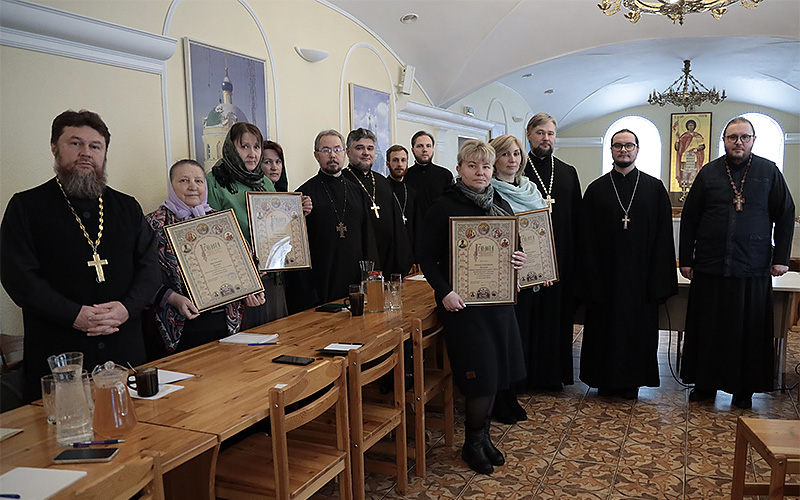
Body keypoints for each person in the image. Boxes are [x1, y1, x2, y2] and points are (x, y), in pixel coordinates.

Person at [0, 110, 160, 401]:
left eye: (95, 146)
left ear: (105, 153)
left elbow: (150, 269)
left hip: (124, 348)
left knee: (138, 434)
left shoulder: (127, 207)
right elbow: (20, 279)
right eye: (75, 144)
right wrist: (74, 315)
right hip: (59, 354)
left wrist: (126, 308)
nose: (86, 153)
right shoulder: (26, 207)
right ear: (54, 147)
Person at [418, 139, 527, 475]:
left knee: (496, 376)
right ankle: (470, 443)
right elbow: (425, 256)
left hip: (498, 306)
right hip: (464, 307)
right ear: (460, 169)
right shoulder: (443, 207)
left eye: (486, 167)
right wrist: (445, 291)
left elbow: (516, 246)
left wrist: (519, 261)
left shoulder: (502, 206)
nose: (480, 173)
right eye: (473, 166)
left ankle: (483, 438)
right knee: (479, 377)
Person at [679, 117, 794, 409]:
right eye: (732, 137)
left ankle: (743, 388)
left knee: (748, 331)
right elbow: (690, 218)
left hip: (752, 266)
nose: (738, 142)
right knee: (709, 328)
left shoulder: (769, 172)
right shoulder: (709, 173)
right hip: (710, 265)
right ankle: (704, 384)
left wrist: (781, 258)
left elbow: (784, 214)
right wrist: (687, 259)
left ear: (753, 140)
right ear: (724, 141)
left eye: (744, 137)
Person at [578, 129, 678, 399]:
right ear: (611, 150)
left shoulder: (654, 188)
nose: (623, 150)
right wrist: (589, 279)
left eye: (628, 145)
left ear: (637, 149)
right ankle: (602, 381)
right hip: (604, 279)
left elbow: (663, 238)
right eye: (618, 146)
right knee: (604, 331)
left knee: (636, 333)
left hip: (640, 280)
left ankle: (632, 382)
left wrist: (659, 280)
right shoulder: (596, 189)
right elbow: (585, 239)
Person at [145, 159, 265, 354]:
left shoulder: (222, 219)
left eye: (199, 181)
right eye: (184, 181)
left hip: (226, 321)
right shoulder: (152, 225)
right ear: (171, 185)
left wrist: (251, 289)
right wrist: (172, 298)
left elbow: (246, 261)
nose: (193, 186)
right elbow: (141, 276)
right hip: (181, 324)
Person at [488, 134, 548, 422]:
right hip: (503, 279)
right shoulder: (490, 193)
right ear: (495, 159)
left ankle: (514, 391)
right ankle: (501, 397)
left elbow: (542, 233)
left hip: (531, 279)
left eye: (516, 154)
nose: (512, 159)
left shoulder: (531, 190)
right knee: (505, 341)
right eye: (506, 154)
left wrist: (545, 268)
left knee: (522, 336)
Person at [523, 113, 582, 389]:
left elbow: (577, 217)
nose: (546, 138)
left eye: (550, 133)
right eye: (540, 133)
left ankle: (553, 376)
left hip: (562, 260)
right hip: (528, 263)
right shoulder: (518, 170)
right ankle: (525, 376)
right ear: (529, 135)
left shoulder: (568, 171)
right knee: (529, 319)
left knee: (557, 319)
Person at [205, 123, 284, 328]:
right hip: (239, 286)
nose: (252, 154)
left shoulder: (264, 182)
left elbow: (276, 226)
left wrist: (294, 213)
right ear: (231, 148)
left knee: (279, 340)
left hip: (271, 278)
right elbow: (213, 240)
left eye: (256, 147)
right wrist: (246, 281)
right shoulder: (215, 181)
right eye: (244, 147)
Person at [289, 130, 377, 310]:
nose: (332, 156)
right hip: (322, 280)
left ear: (344, 153)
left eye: (337, 150)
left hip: (354, 277)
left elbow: (367, 236)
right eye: (326, 150)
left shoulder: (357, 192)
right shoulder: (304, 194)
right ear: (316, 155)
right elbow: (297, 247)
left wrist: (369, 277)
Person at [343, 128, 412, 276]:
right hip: (359, 259)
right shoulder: (342, 181)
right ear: (348, 152)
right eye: (359, 148)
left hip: (388, 258)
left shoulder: (382, 182)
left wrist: (402, 262)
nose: (366, 153)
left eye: (370, 148)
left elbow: (397, 224)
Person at [404, 130, 454, 218]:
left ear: (433, 149)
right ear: (413, 150)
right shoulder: (405, 176)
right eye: (420, 146)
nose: (425, 150)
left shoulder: (445, 175)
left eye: (428, 146)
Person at [385, 144, 422, 258]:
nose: (399, 164)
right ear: (388, 164)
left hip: (409, 253)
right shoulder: (382, 189)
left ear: (407, 163)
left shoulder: (412, 192)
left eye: (403, 160)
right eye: (395, 160)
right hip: (388, 251)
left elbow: (417, 227)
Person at [674, 119, 706, 194]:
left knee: (694, 171)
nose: (690, 126)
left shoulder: (698, 136)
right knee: (684, 172)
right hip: (686, 156)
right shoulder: (684, 136)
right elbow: (677, 148)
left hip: (694, 156)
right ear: (687, 126)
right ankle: (684, 189)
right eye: (689, 125)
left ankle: (693, 186)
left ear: (694, 126)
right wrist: (678, 139)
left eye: (692, 125)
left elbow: (702, 146)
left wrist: (695, 149)